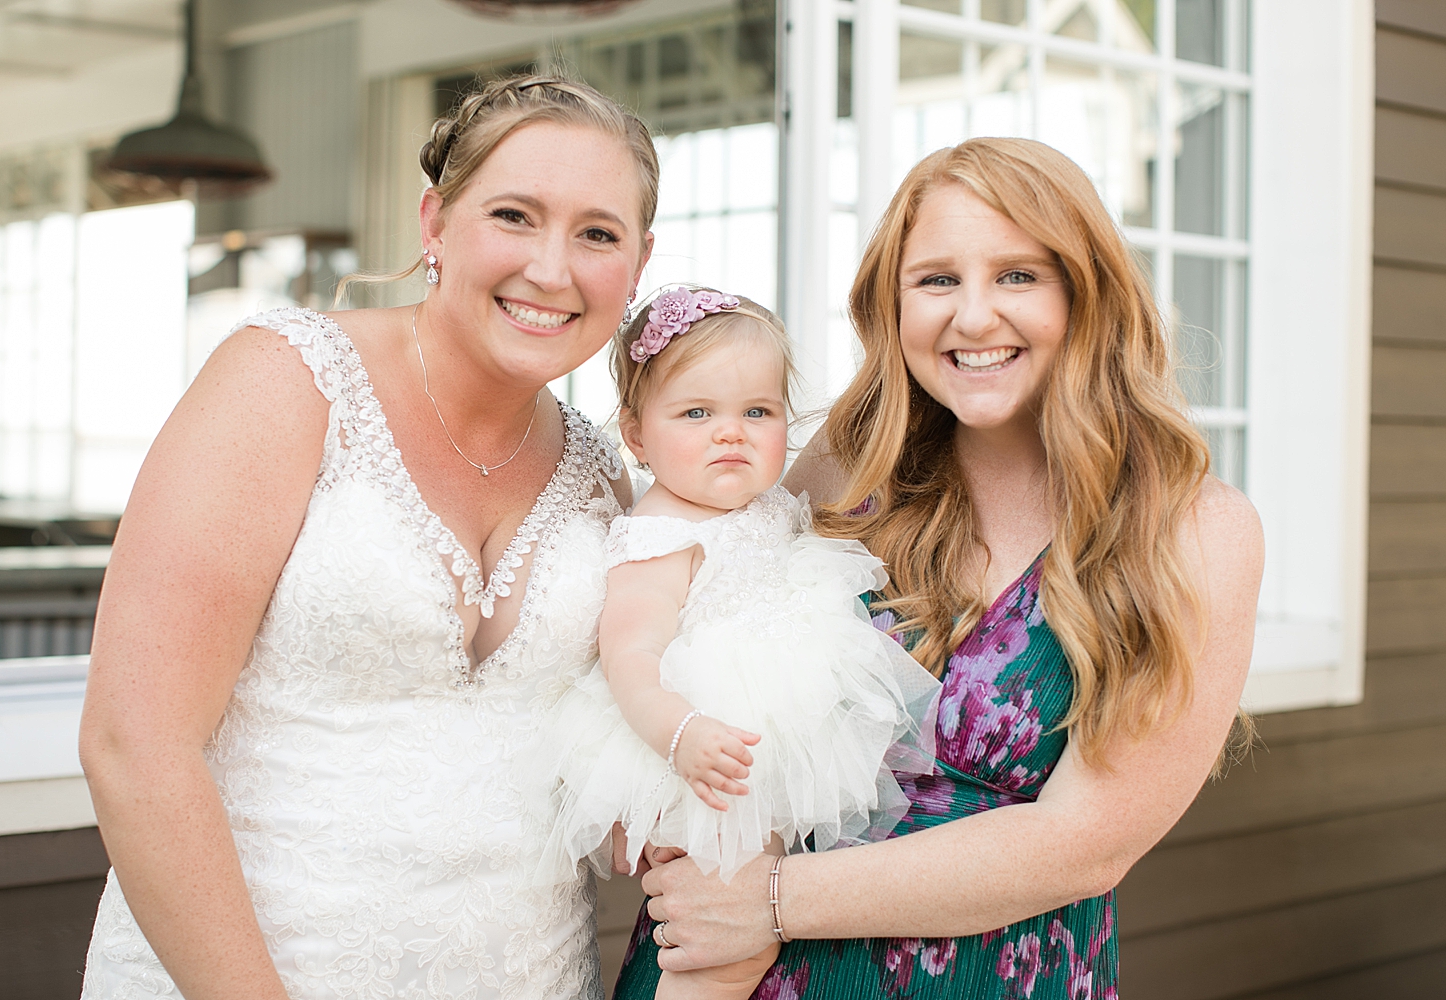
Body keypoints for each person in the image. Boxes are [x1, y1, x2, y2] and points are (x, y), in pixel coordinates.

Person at [614, 138, 1263, 998]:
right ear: (893, 304)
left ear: (1087, 290)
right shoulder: (854, 461)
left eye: (1019, 276)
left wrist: (772, 900)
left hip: (979, 974)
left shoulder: (1194, 530)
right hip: (728, 963)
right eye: (936, 280)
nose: (975, 316)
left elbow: (1089, 843)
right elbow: (692, 608)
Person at [77, 74, 657, 1000]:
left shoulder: (602, 474)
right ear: (434, 223)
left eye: (598, 233)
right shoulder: (287, 383)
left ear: (638, 261)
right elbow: (133, 742)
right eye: (513, 215)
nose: (553, 268)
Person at [534, 287, 939, 1000]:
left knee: (755, 905)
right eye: (697, 414)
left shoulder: (773, 506)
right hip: (702, 742)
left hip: (776, 731)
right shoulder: (659, 535)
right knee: (715, 936)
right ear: (636, 436)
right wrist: (678, 732)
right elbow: (629, 655)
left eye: (758, 412)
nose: (732, 433)